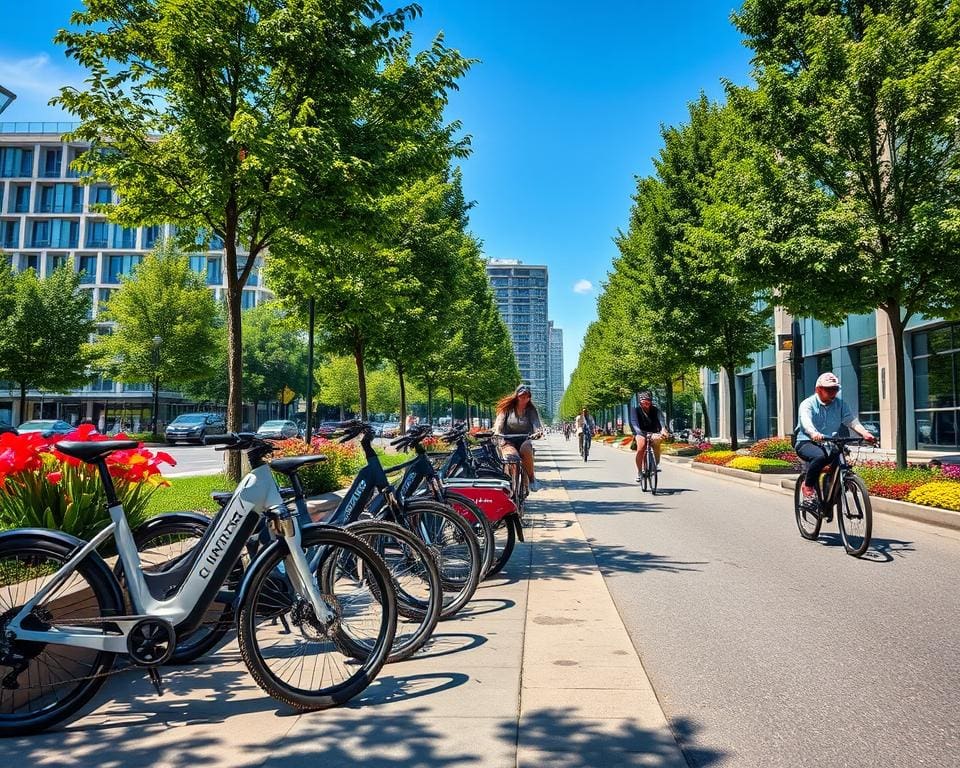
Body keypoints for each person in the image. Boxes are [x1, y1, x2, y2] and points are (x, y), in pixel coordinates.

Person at [796, 372, 876, 511]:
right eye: (829, 389)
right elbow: (806, 421)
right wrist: (814, 433)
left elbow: (851, 421)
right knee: (820, 457)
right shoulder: (807, 404)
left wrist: (865, 433)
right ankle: (808, 486)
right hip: (807, 442)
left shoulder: (840, 404)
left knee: (841, 462)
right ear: (818, 389)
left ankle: (833, 492)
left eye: (835, 389)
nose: (833, 392)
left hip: (830, 442)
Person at [492, 384, 544, 492]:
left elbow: (536, 423)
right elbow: (499, 421)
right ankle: (510, 481)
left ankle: (531, 479)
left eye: (526, 396)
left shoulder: (531, 410)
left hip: (524, 438)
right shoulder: (507, 408)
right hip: (508, 439)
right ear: (517, 396)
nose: (524, 398)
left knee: (526, 449)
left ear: (529, 397)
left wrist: (538, 431)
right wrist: (497, 431)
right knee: (511, 457)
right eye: (521, 396)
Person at [629, 391, 669, 482]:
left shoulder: (656, 410)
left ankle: (656, 464)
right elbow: (634, 423)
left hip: (654, 432)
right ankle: (640, 472)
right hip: (640, 432)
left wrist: (663, 430)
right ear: (640, 402)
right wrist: (640, 433)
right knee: (641, 447)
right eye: (644, 401)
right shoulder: (635, 411)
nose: (646, 403)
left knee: (657, 442)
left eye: (648, 401)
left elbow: (661, 421)